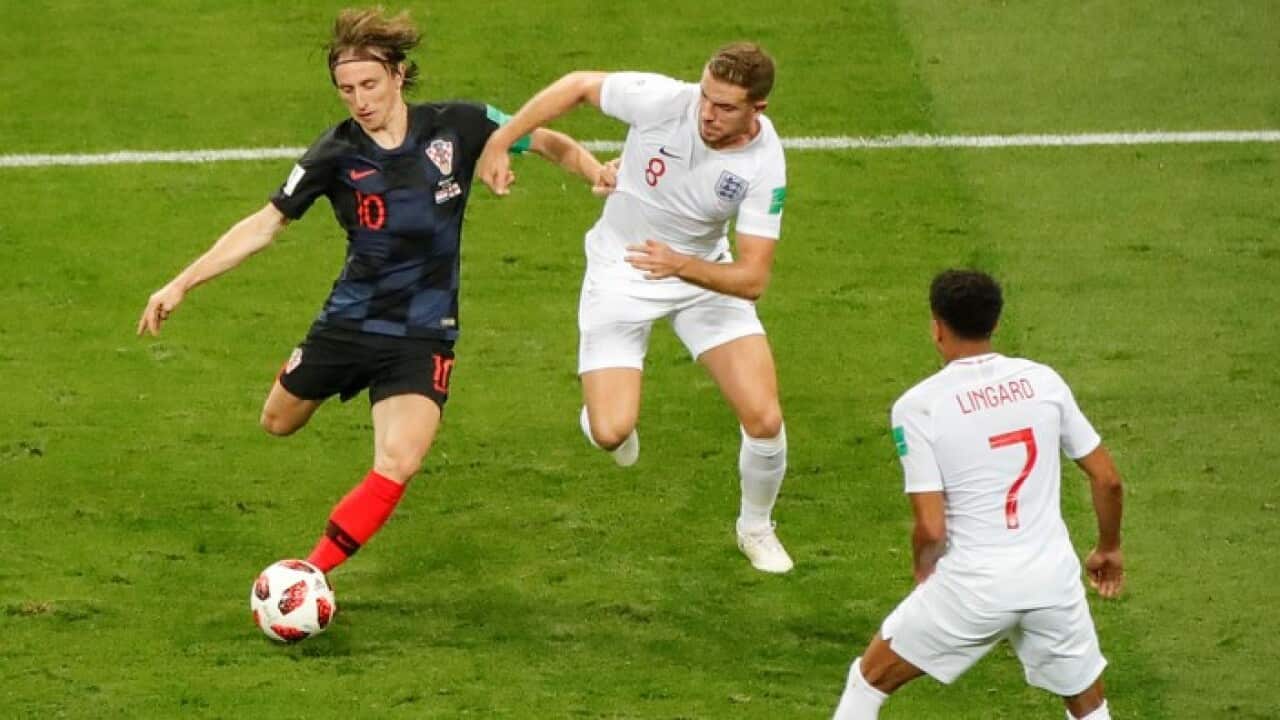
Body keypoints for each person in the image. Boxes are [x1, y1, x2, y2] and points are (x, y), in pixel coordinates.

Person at [136, 7, 610, 578]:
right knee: (278, 422)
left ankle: (309, 575)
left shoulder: (458, 125)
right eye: (346, 90)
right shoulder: (335, 153)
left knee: (399, 460)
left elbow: (548, 141)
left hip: (423, 333)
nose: (359, 101)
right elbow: (265, 224)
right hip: (350, 322)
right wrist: (182, 282)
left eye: (369, 84)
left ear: (398, 74)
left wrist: (595, 173)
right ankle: (323, 374)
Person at [474, 43, 794, 573]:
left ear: (756, 109)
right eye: (706, 97)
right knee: (611, 433)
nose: (706, 114)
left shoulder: (764, 162)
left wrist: (680, 264)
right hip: (620, 269)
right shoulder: (666, 101)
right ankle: (602, 413)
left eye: (724, 107)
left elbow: (753, 278)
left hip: (700, 274)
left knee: (764, 417)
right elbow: (578, 84)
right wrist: (501, 140)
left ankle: (756, 528)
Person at [831, 270, 1126, 719]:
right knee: (1088, 706)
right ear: (995, 322)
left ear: (937, 327)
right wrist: (1108, 548)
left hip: (972, 586)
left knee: (868, 681)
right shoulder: (1043, 381)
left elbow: (931, 527)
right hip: (1051, 581)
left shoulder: (919, 406)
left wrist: (924, 569)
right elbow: (1107, 480)